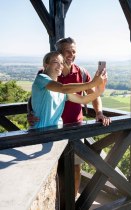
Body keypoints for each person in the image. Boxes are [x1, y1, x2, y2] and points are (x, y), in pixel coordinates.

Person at [28, 37, 111, 197]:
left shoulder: (80, 72)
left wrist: (100, 90)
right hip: (48, 132)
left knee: (74, 167)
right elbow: (39, 96)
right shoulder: (45, 75)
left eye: (74, 51)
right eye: (68, 51)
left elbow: (87, 97)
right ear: (57, 54)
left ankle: (72, 203)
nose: (71, 55)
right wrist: (29, 112)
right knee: (53, 169)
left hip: (74, 129)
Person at [31, 51, 107, 129]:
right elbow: (63, 88)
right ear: (46, 65)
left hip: (57, 133)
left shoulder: (62, 90)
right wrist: (92, 84)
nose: (60, 66)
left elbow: (84, 100)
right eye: (55, 62)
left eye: (61, 63)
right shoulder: (41, 78)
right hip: (40, 134)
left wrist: (100, 91)